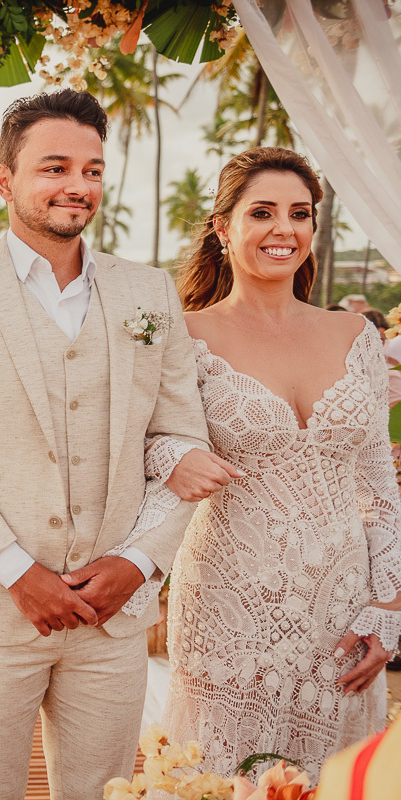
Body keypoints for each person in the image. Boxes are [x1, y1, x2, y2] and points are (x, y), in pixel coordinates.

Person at [0, 90, 213, 800]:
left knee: (107, 793)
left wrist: (136, 562)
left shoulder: (148, 293)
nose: (78, 185)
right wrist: (16, 572)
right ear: (4, 180)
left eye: (93, 170)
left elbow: (182, 440)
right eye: (55, 167)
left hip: (112, 618)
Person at [162, 147, 401, 777]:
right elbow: (142, 441)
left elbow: (378, 484)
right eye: (262, 212)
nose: (283, 230)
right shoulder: (181, 335)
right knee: (223, 777)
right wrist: (172, 455)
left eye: (300, 214)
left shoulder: (355, 338)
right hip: (228, 599)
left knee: (339, 777)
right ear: (222, 227)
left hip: (344, 608)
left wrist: (390, 607)